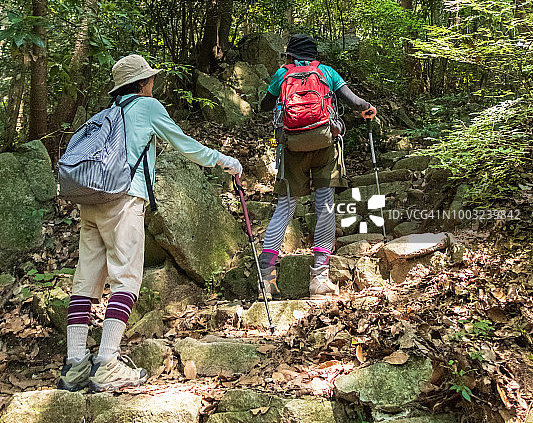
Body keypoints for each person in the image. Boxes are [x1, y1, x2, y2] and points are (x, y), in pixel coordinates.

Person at [59, 54, 242, 393]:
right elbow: (188, 147)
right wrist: (225, 161)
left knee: (85, 281)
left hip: (91, 201)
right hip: (125, 200)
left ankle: (74, 364)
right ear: (142, 84)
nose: (153, 84)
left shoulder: (105, 115)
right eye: (150, 80)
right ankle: (108, 363)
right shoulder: (147, 107)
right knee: (126, 278)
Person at [258, 35, 376, 298]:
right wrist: (368, 109)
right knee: (324, 206)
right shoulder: (326, 72)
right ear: (313, 55)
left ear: (290, 55)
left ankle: (266, 279)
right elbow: (354, 102)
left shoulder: (282, 74)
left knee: (285, 207)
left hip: (292, 149)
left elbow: (264, 105)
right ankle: (319, 279)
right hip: (325, 145)